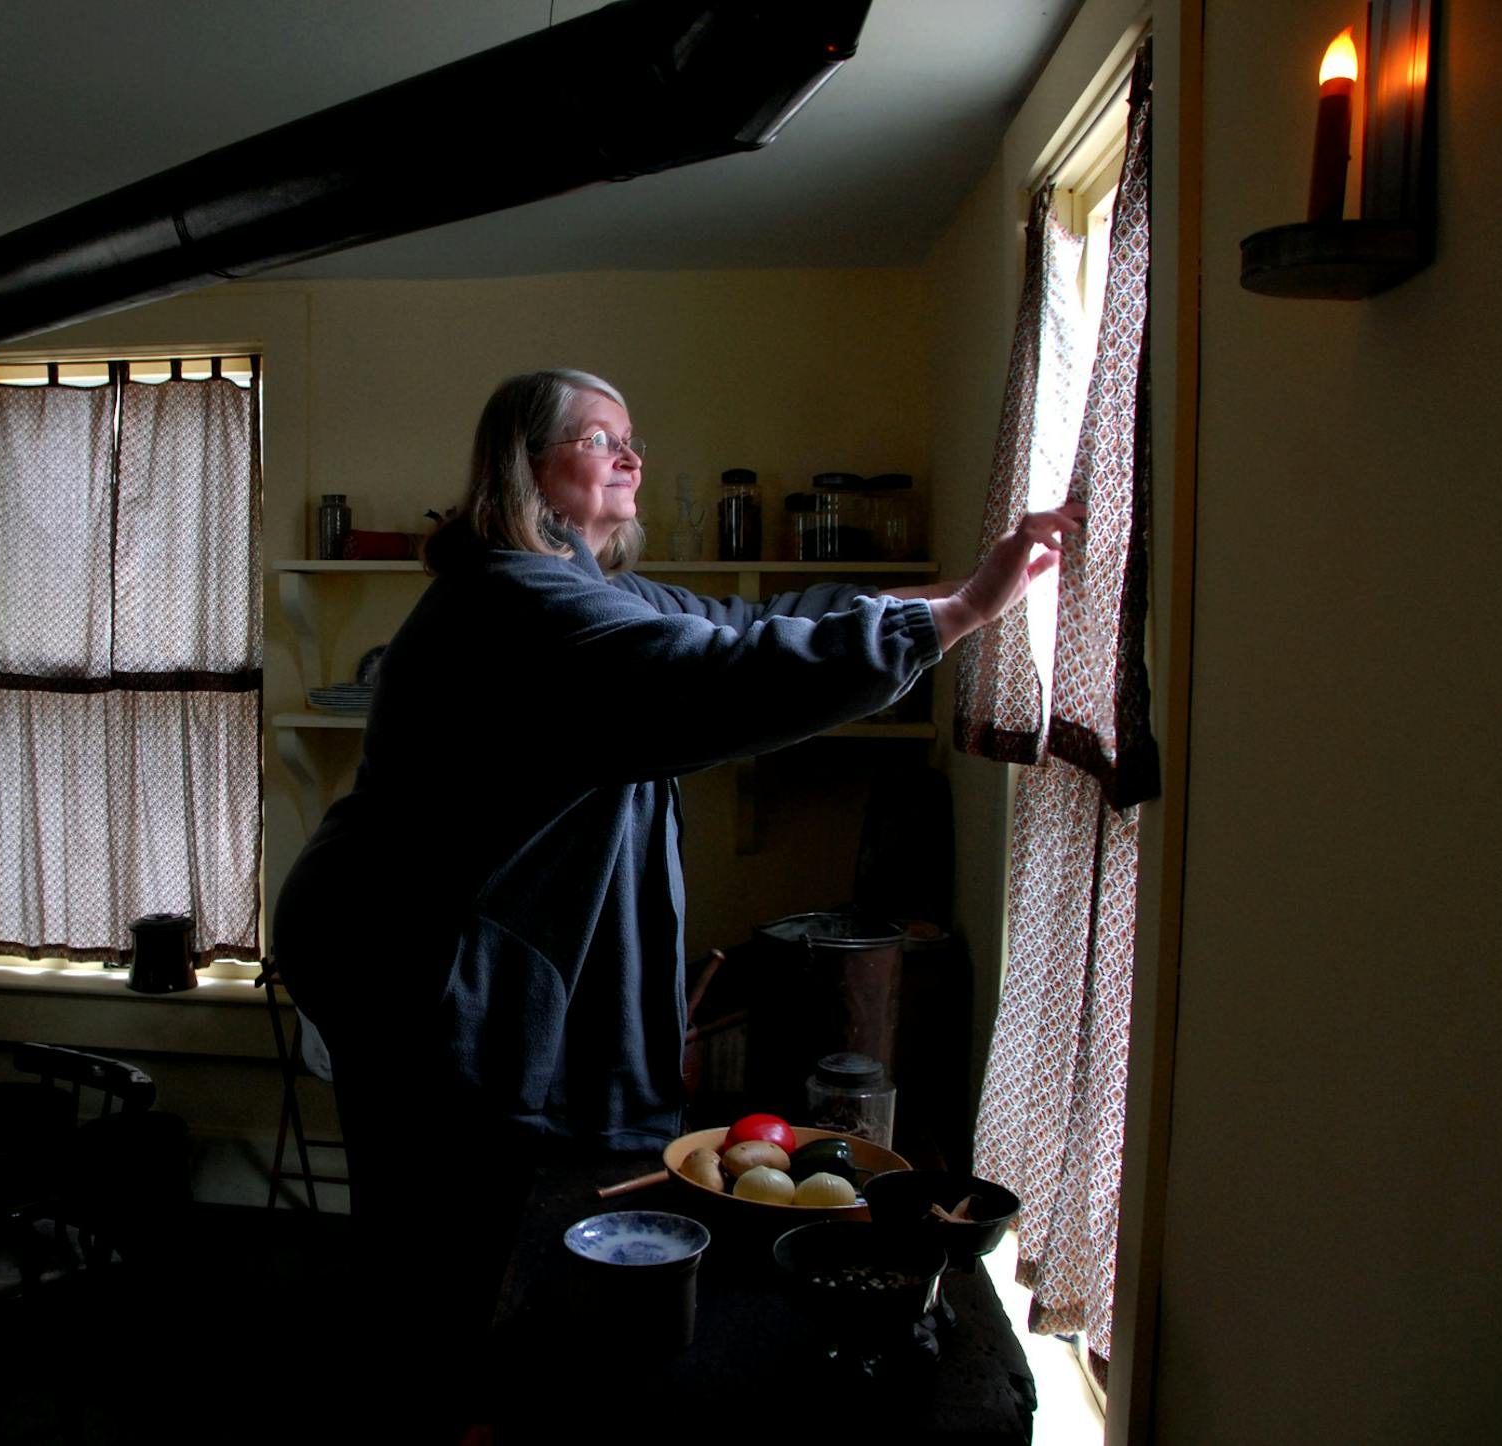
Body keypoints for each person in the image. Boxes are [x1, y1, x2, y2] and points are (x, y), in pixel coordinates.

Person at [271, 368, 1076, 1380]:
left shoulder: (592, 587)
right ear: (526, 465)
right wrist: (952, 617)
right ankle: (446, 1392)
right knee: (450, 1223)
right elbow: (714, 673)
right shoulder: (512, 596)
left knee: (496, 1214)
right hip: (403, 946)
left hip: (447, 941)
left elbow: (740, 628)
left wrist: (960, 596)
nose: (631, 458)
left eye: (632, 440)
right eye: (600, 438)